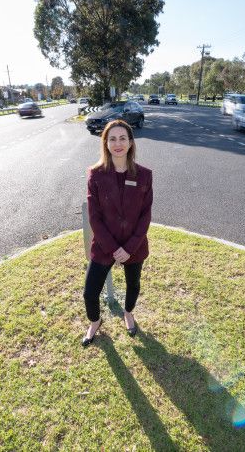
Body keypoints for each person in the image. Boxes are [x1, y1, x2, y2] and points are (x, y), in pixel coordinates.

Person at [82, 119, 153, 347]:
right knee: (89, 293)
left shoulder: (144, 175)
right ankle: (95, 321)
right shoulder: (95, 174)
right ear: (106, 143)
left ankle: (128, 313)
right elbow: (95, 217)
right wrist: (113, 249)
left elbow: (145, 215)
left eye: (123, 138)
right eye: (112, 139)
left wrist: (130, 247)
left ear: (131, 143)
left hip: (134, 245)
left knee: (133, 285)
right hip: (105, 246)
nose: (118, 143)